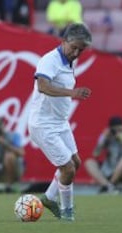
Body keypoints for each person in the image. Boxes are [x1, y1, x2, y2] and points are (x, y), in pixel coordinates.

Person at [27, 23, 92, 221]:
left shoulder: (69, 61)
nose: (77, 52)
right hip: (43, 124)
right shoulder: (50, 60)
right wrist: (72, 93)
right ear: (64, 41)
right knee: (68, 168)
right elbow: (43, 86)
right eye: (74, 47)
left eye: (81, 49)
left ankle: (47, 198)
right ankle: (67, 213)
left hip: (59, 122)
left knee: (76, 163)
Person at [85, 116, 122, 194]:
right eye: (115, 129)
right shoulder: (107, 136)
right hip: (110, 167)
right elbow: (95, 154)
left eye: (119, 129)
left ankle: (110, 185)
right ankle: (106, 185)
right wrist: (103, 140)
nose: (117, 131)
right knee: (89, 162)